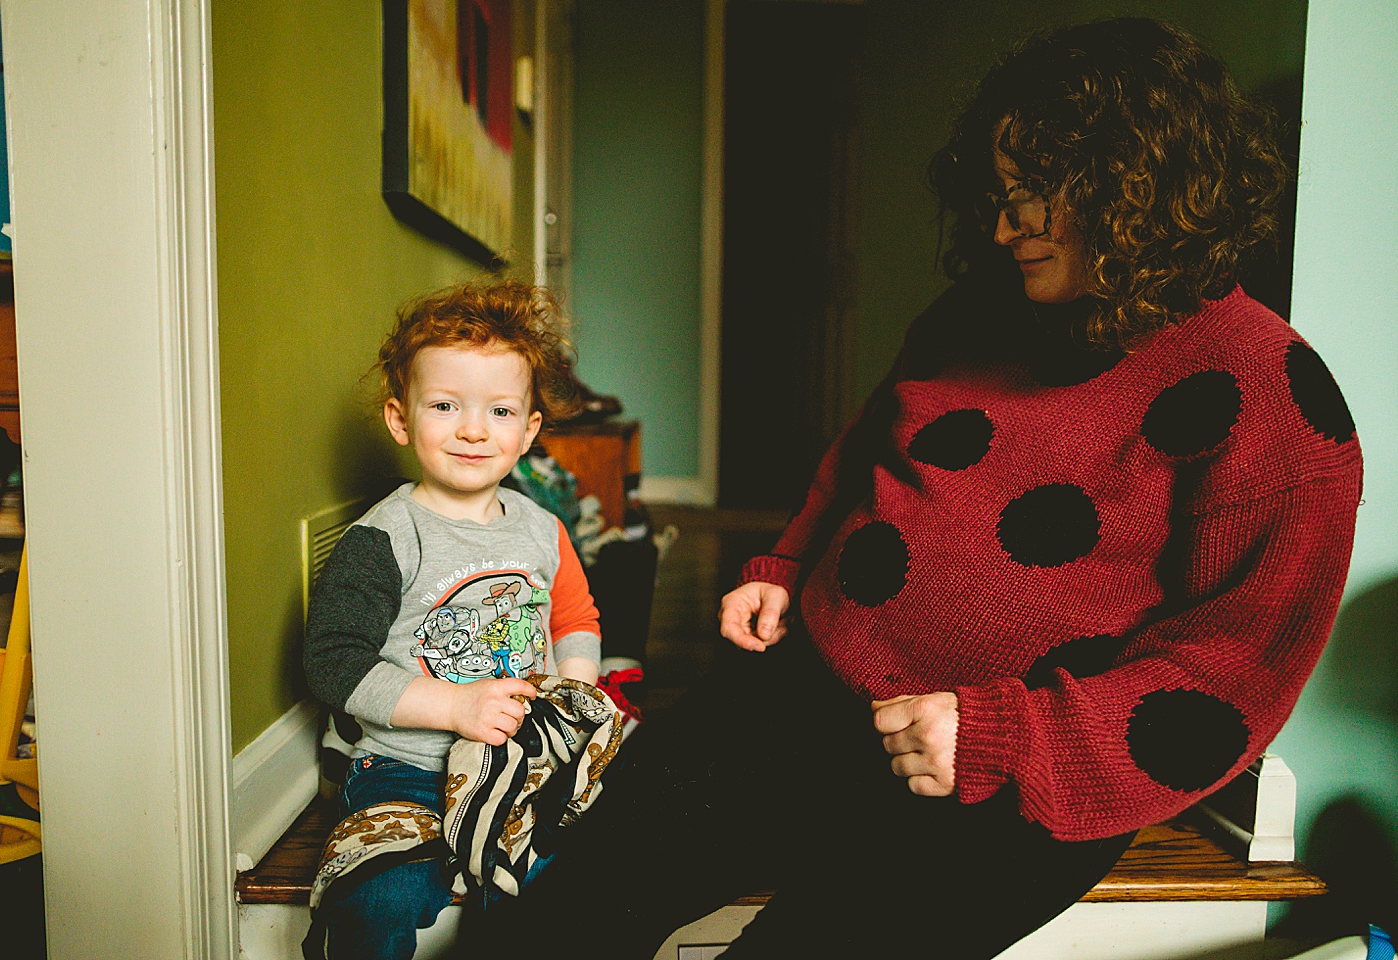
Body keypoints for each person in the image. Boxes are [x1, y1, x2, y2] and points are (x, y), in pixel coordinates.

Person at [455, 18, 1362, 959]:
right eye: (1000, 194)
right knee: (568, 912)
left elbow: (1231, 672)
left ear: (1136, 188)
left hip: (1018, 777)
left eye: (1035, 196)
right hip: (811, 691)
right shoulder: (975, 314)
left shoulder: (1269, 395)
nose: (1005, 227)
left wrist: (1003, 735)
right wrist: (788, 561)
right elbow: (865, 456)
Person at [303, 280, 603, 960]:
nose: (473, 430)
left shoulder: (542, 530)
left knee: (566, 884)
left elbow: (574, 618)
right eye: (445, 406)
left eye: (499, 411)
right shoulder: (386, 537)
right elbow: (335, 662)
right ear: (400, 418)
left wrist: (573, 694)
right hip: (402, 766)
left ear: (528, 430)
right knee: (373, 897)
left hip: (517, 763)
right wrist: (458, 707)